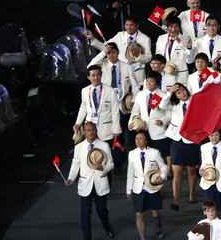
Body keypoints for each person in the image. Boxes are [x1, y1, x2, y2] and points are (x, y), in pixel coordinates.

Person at [87, 43, 139, 173]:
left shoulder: (126, 67)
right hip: (105, 106)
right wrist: (103, 52)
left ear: (118, 52)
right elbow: (89, 66)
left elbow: (135, 85)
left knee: (124, 135)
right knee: (110, 137)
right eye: (109, 53)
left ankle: (124, 162)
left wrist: (133, 100)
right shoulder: (102, 65)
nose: (111, 55)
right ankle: (111, 161)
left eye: (113, 52)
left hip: (122, 105)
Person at [65, 121, 115, 240]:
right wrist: (70, 178)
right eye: (87, 130)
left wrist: (102, 167)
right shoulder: (79, 147)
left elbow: (111, 164)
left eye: (92, 130)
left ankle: (107, 226)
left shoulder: (104, 145)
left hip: (100, 183)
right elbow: (75, 165)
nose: (90, 132)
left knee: (102, 211)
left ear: (96, 131)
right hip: (85, 185)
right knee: (85, 213)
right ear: (83, 132)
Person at [126, 130, 167, 240]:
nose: (138, 140)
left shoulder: (154, 153)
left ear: (146, 140)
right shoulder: (132, 154)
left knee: (155, 213)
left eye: (141, 138)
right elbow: (130, 172)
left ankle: (158, 224)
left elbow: (163, 166)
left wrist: (162, 176)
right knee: (139, 214)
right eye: (136, 138)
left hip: (153, 187)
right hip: (138, 188)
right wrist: (129, 189)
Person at [85, 15, 152, 84]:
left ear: (137, 25)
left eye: (131, 25)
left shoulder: (145, 39)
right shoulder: (120, 35)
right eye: (126, 25)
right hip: (122, 74)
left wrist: (138, 55)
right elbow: (106, 47)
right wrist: (92, 38)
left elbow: (148, 58)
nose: (128, 28)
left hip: (137, 76)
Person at [164, 83, 200, 209]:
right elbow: (161, 105)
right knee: (177, 172)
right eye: (178, 92)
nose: (182, 93)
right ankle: (176, 202)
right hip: (177, 140)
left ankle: (192, 193)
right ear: (176, 95)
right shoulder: (174, 105)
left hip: (191, 139)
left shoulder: (195, 101)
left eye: (183, 90)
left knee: (191, 170)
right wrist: (170, 92)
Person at [129, 71, 171, 172]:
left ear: (157, 83)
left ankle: (165, 173)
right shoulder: (140, 94)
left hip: (159, 130)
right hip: (144, 129)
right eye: (147, 81)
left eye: (151, 81)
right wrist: (131, 123)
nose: (148, 83)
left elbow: (170, 113)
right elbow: (135, 111)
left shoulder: (163, 95)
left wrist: (163, 121)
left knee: (162, 155)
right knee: (148, 156)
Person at [73, 65, 121, 147]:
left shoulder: (110, 91)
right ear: (88, 77)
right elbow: (83, 108)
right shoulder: (84, 91)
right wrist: (78, 123)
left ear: (101, 75)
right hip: (89, 128)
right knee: (92, 153)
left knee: (106, 153)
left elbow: (115, 111)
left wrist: (116, 129)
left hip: (105, 128)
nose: (96, 77)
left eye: (98, 75)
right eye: (93, 75)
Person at [155, 16, 192, 85]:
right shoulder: (161, 38)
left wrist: (179, 41)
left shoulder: (186, 39)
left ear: (180, 28)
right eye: (171, 27)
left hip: (180, 76)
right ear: (167, 27)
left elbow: (189, 59)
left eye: (176, 27)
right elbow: (158, 56)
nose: (173, 29)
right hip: (165, 73)